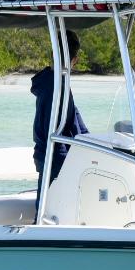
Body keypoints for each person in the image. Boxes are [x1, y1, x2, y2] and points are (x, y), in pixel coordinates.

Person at [31, 30, 88, 189]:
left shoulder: (49, 82)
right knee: (52, 208)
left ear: (52, 54)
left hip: (45, 153)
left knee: (46, 205)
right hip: (55, 156)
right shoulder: (58, 86)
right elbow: (71, 126)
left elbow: (76, 121)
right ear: (75, 60)